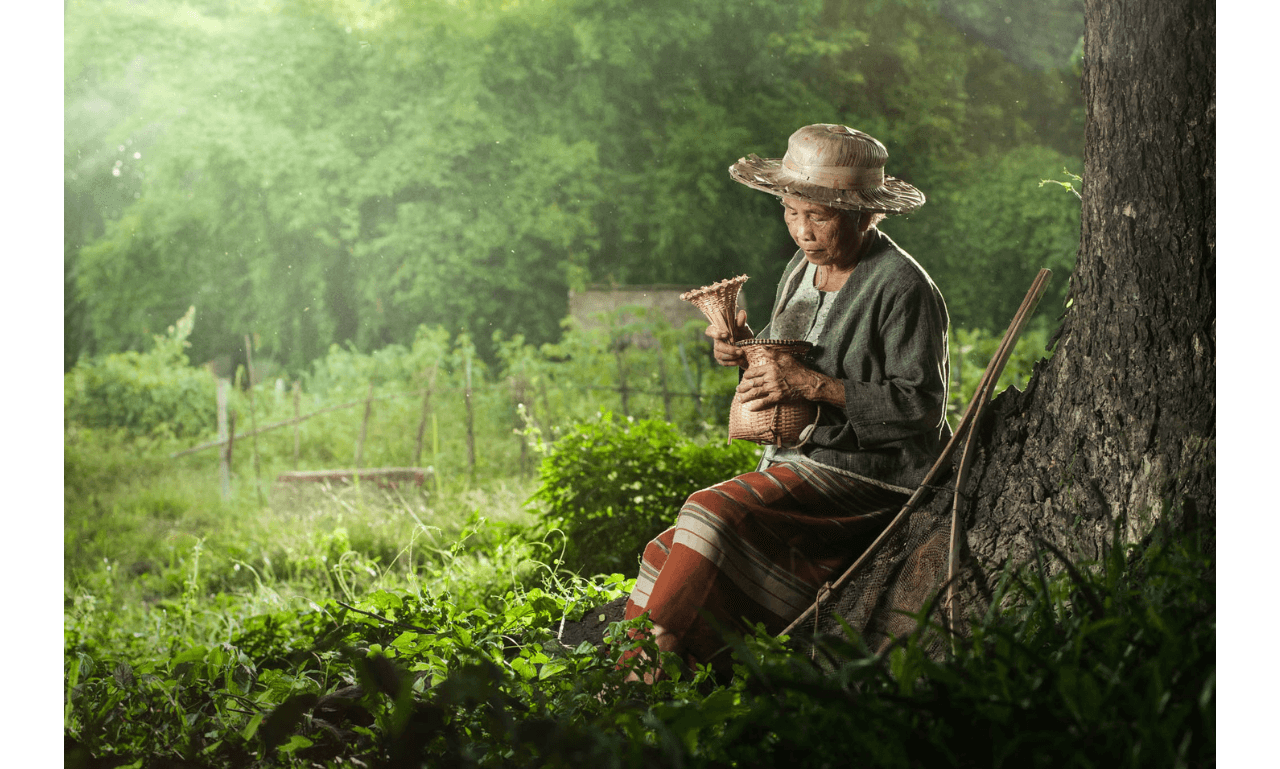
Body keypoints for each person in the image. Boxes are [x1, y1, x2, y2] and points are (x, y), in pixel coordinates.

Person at [619, 124, 951, 681]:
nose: (803, 231)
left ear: (868, 214)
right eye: (792, 213)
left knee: (711, 510)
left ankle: (640, 670)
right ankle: (668, 669)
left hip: (871, 475)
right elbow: (781, 361)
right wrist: (739, 347)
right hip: (794, 459)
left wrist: (814, 387)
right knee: (670, 549)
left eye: (819, 217)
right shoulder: (803, 268)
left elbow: (920, 407)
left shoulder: (901, 286)